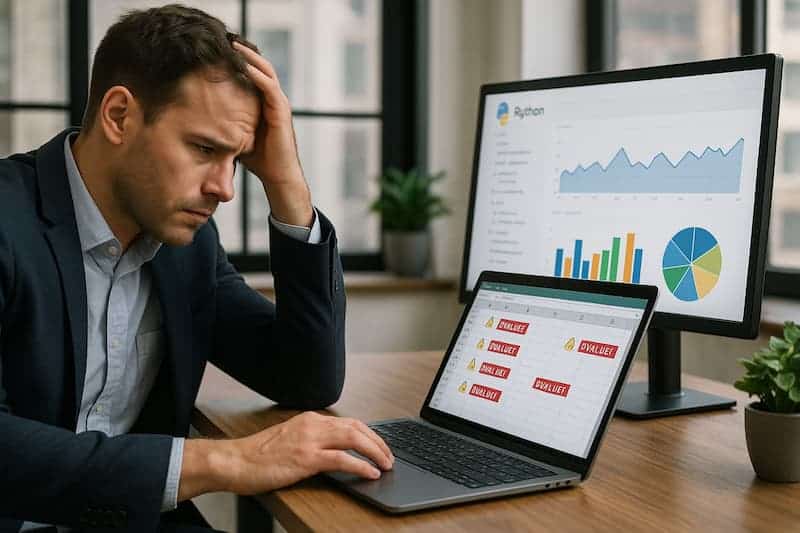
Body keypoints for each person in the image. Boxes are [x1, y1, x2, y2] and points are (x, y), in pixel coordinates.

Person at [0, 5, 393, 532]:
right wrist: (228, 461)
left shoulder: (186, 245)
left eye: (237, 159)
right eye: (204, 148)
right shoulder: (8, 221)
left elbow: (306, 378)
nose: (225, 189)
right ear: (119, 116)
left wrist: (287, 185)